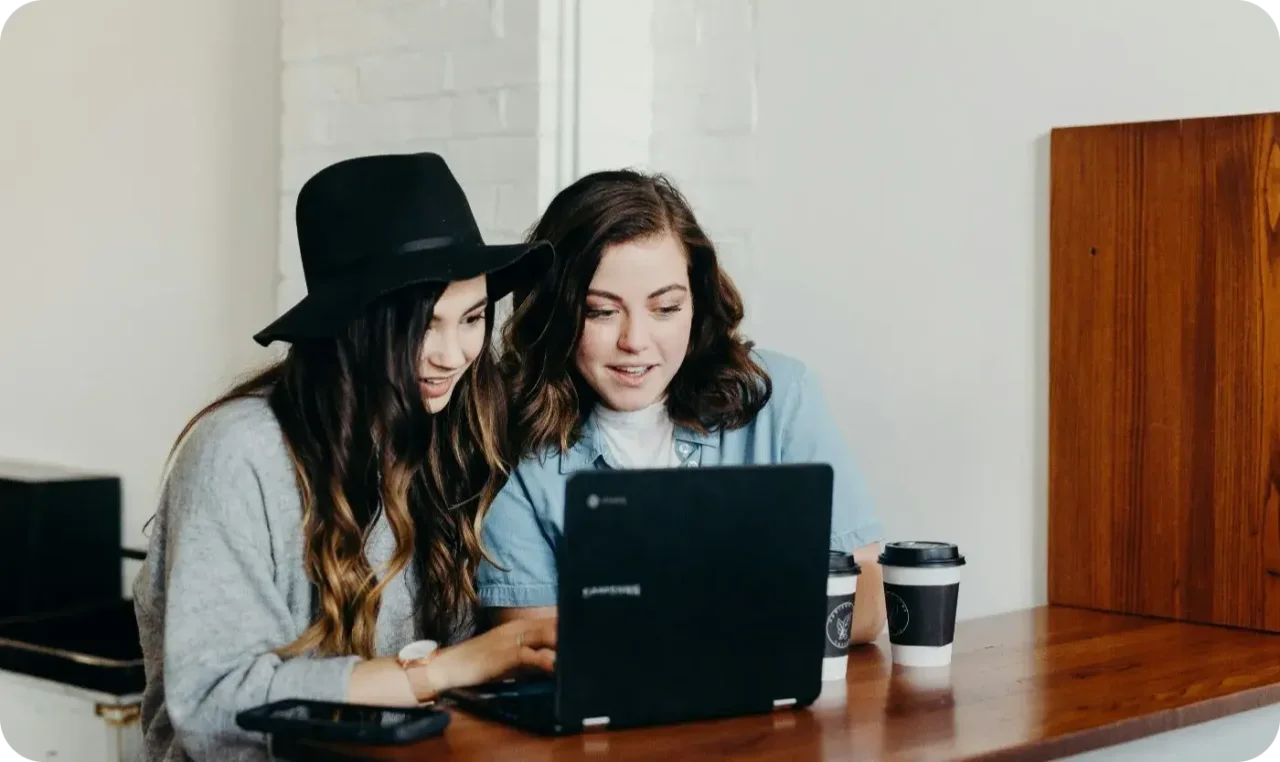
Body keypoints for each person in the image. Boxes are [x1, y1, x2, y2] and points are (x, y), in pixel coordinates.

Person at [132, 153, 558, 761]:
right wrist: (448, 669)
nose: (453, 353)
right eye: (422, 325)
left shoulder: (450, 437)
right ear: (354, 325)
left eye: (472, 318)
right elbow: (214, 704)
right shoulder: (241, 451)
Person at [475, 168, 888, 644]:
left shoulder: (778, 396)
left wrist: (655, 621)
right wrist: (754, 601)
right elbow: (530, 643)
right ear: (557, 313)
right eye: (602, 311)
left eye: (665, 308)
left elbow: (865, 603)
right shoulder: (509, 435)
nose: (635, 341)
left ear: (697, 301)